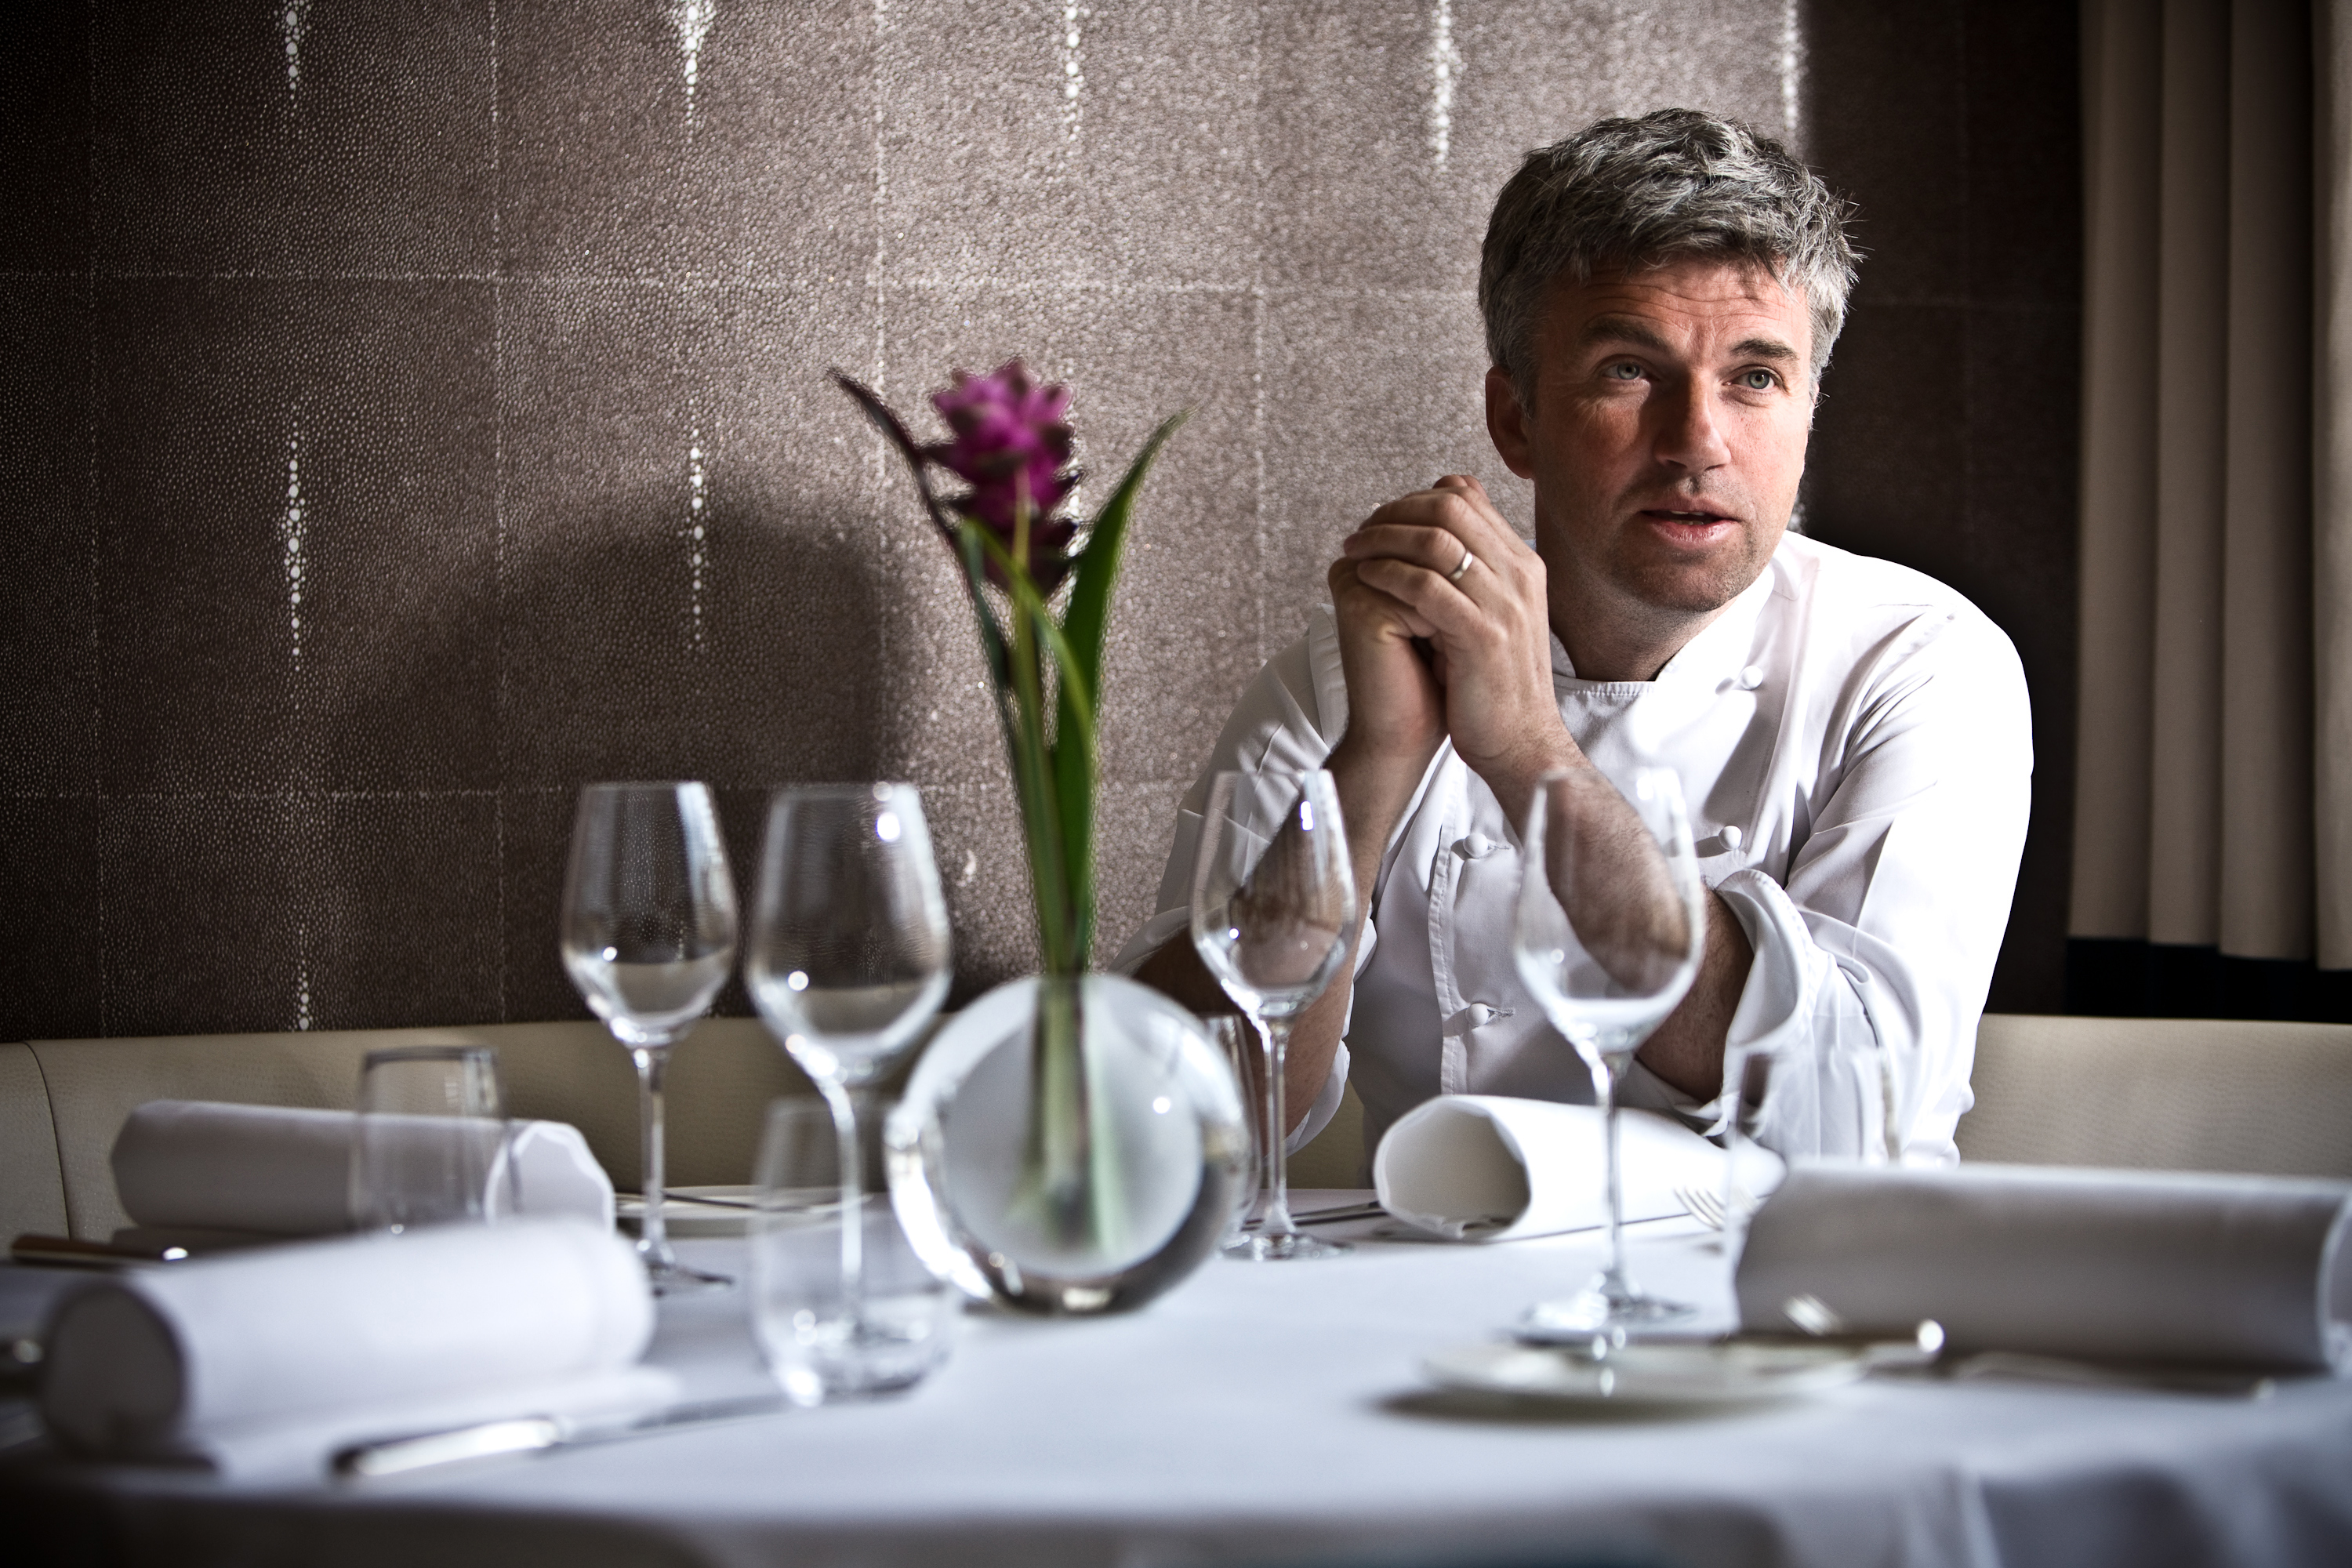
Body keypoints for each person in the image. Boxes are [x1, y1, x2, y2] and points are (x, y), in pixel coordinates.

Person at [1116, 108, 2031, 1168]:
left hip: (1793, 1294)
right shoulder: (1350, 679)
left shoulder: (1919, 663)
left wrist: (1529, 754)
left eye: (1755, 376)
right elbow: (1171, 1116)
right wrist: (1371, 772)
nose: (1698, 441)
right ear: (1517, 420)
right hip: (1436, 1294)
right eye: (1627, 371)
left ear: (1809, 408)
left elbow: (1853, 1111)